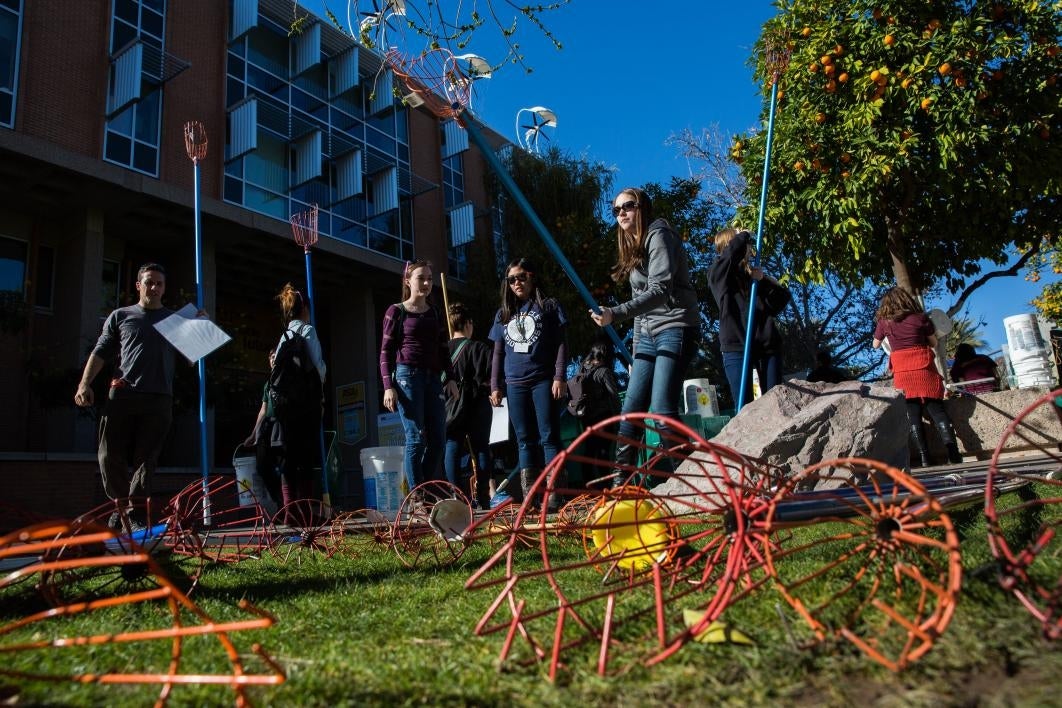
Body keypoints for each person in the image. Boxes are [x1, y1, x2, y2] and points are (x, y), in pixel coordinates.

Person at [589, 187, 698, 483]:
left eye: (628, 206)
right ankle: (620, 487)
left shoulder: (659, 235)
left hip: (675, 326)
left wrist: (614, 313)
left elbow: (660, 291)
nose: (621, 213)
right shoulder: (634, 249)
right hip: (648, 336)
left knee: (661, 408)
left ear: (643, 208)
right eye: (616, 210)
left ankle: (688, 484)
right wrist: (636, 352)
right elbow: (641, 306)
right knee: (630, 411)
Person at [73, 263, 179, 530]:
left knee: (147, 459)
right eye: (149, 282)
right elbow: (100, 351)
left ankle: (135, 514)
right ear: (138, 285)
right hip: (123, 394)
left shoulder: (177, 321)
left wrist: (200, 328)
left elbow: (193, 360)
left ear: (164, 288)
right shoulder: (121, 316)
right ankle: (121, 507)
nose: (154, 287)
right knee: (108, 455)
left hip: (159, 398)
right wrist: (84, 384)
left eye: (159, 284)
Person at [489, 258, 568, 504]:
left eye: (521, 277)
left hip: (543, 380)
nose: (517, 283)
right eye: (511, 279)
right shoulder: (503, 314)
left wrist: (560, 376)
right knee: (524, 440)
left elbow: (561, 343)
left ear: (532, 276)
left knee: (549, 436)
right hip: (515, 384)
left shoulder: (549, 306)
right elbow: (498, 352)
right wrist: (495, 385)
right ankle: (531, 498)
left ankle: (554, 497)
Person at [379, 260, 457, 492]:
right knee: (415, 437)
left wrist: (451, 377)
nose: (426, 283)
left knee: (439, 440)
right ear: (407, 281)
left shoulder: (435, 312)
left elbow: (443, 348)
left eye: (429, 279)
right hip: (407, 377)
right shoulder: (396, 311)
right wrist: (388, 386)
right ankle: (417, 495)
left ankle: (421, 488)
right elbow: (385, 351)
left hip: (434, 379)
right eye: (420, 278)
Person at [872, 286, 963, 467]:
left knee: (912, 416)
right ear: (906, 300)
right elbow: (933, 342)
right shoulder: (920, 318)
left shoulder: (885, 322)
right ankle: (954, 453)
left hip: (903, 372)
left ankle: (924, 458)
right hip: (924, 369)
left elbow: (875, 345)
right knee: (938, 412)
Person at [708, 227, 790, 408]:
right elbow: (729, 258)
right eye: (743, 243)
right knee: (744, 407)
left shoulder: (753, 279)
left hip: (766, 346)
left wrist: (763, 280)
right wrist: (743, 234)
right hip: (737, 346)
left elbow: (781, 299)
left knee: (775, 402)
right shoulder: (718, 275)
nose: (748, 247)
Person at [274, 283, 326, 508]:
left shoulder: (283, 337)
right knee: (306, 457)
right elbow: (318, 368)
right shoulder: (308, 330)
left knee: (288, 456)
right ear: (306, 308)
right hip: (307, 404)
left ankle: (288, 508)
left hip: (286, 405)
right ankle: (304, 509)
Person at [443, 302, 494, 509]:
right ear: (467, 324)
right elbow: (493, 376)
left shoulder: (443, 350)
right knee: (481, 448)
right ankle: (483, 497)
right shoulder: (479, 348)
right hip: (477, 402)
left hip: (451, 404)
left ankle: (458, 497)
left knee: (452, 446)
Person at [568, 339, 622, 476]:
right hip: (603, 417)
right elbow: (613, 396)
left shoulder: (582, 369)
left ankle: (588, 485)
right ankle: (605, 484)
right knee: (604, 451)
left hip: (586, 417)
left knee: (589, 451)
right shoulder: (603, 371)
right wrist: (619, 416)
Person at [243, 349, 283, 507]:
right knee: (262, 465)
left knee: (284, 465)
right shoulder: (268, 383)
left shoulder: (286, 378)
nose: (273, 360)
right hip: (268, 426)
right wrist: (253, 434)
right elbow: (263, 410)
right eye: (271, 357)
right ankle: (277, 499)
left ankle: (287, 504)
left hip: (282, 426)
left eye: (276, 357)